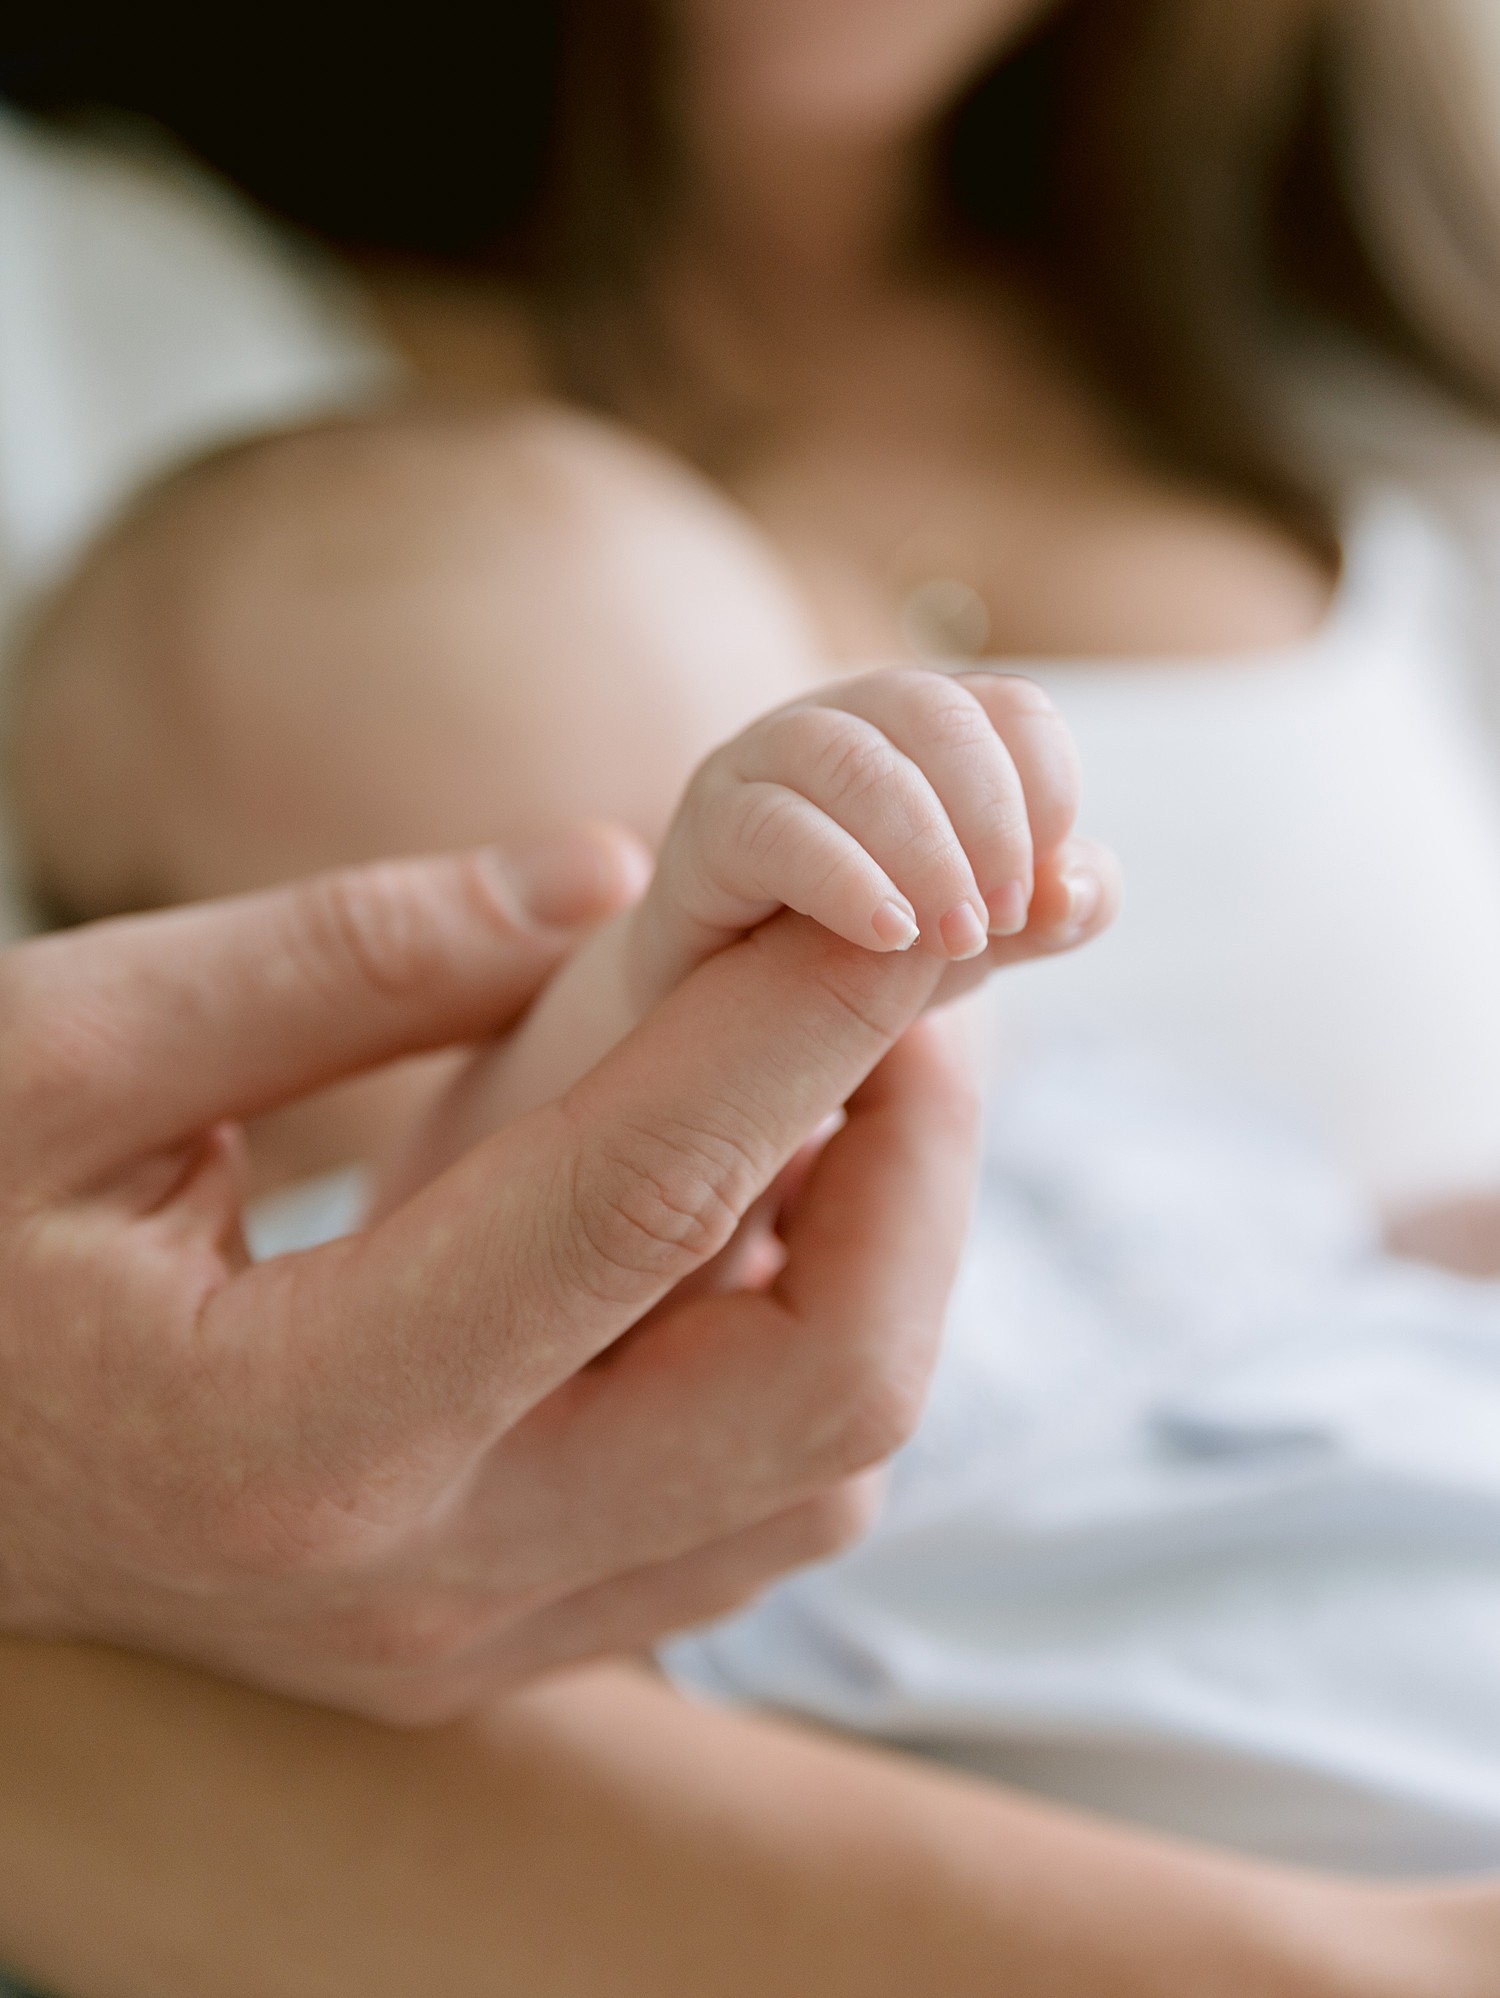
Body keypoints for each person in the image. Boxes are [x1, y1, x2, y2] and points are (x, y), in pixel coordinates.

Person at [8, 0, 1500, 1991]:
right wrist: (661, 962)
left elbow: (1306, 1249)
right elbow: (555, 1200)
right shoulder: (316, 1330)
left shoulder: (1385, 373)